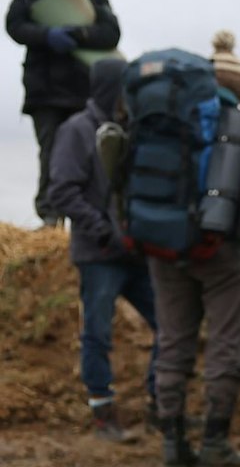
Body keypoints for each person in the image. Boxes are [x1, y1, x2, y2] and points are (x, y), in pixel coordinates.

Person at [148, 31, 240, 467]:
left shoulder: (165, 120)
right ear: (238, 87)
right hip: (225, 249)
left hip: (163, 247)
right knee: (224, 343)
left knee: (172, 342)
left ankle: (172, 444)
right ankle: (215, 445)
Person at [45, 56, 157, 441]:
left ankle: (160, 404)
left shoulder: (134, 129)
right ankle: (102, 411)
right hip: (99, 255)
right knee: (97, 332)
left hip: (138, 252)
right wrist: (103, 231)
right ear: (111, 87)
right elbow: (61, 190)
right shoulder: (76, 130)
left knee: (169, 327)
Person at [7, 0, 120, 226]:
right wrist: (46, 35)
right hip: (43, 91)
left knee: (91, 155)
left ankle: (91, 216)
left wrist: (81, 34)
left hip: (83, 91)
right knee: (50, 155)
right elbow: (14, 26)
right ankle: (50, 217)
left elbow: (110, 33)